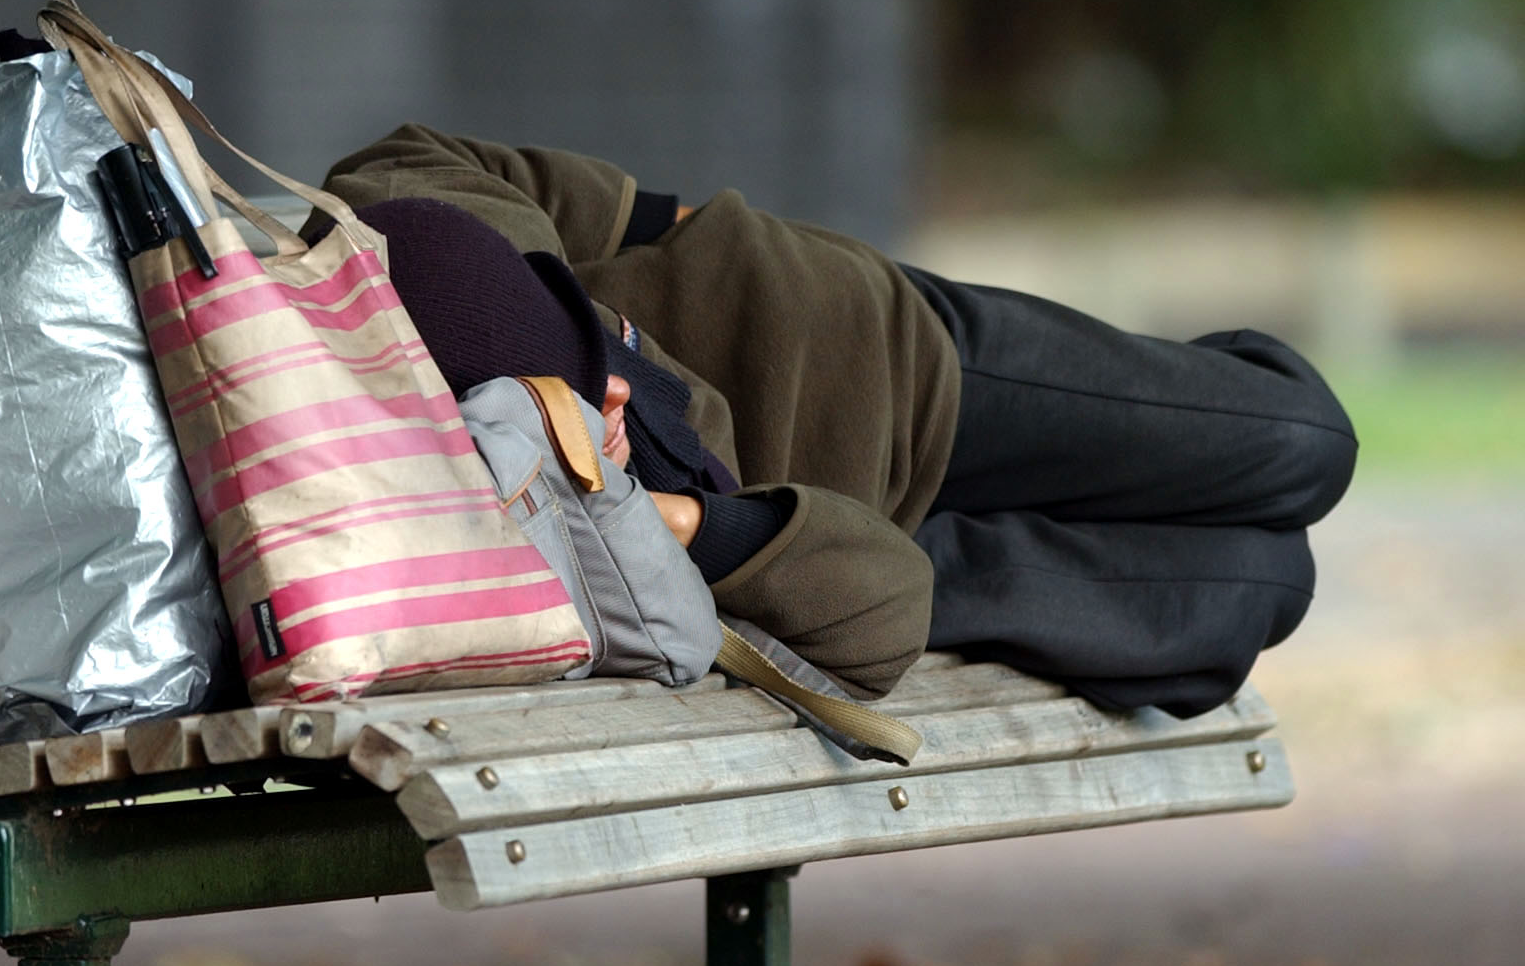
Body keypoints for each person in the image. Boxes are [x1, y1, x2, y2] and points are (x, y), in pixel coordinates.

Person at [323, 124, 1358, 718]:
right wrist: (689, 529)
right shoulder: (571, 526)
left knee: (1303, 440)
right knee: (1257, 587)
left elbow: (411, 162)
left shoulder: (408, 267)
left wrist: (671, 232)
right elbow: (888, 597)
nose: (620, 402)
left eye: (603, 380)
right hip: (863, 545)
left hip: (892, 357)